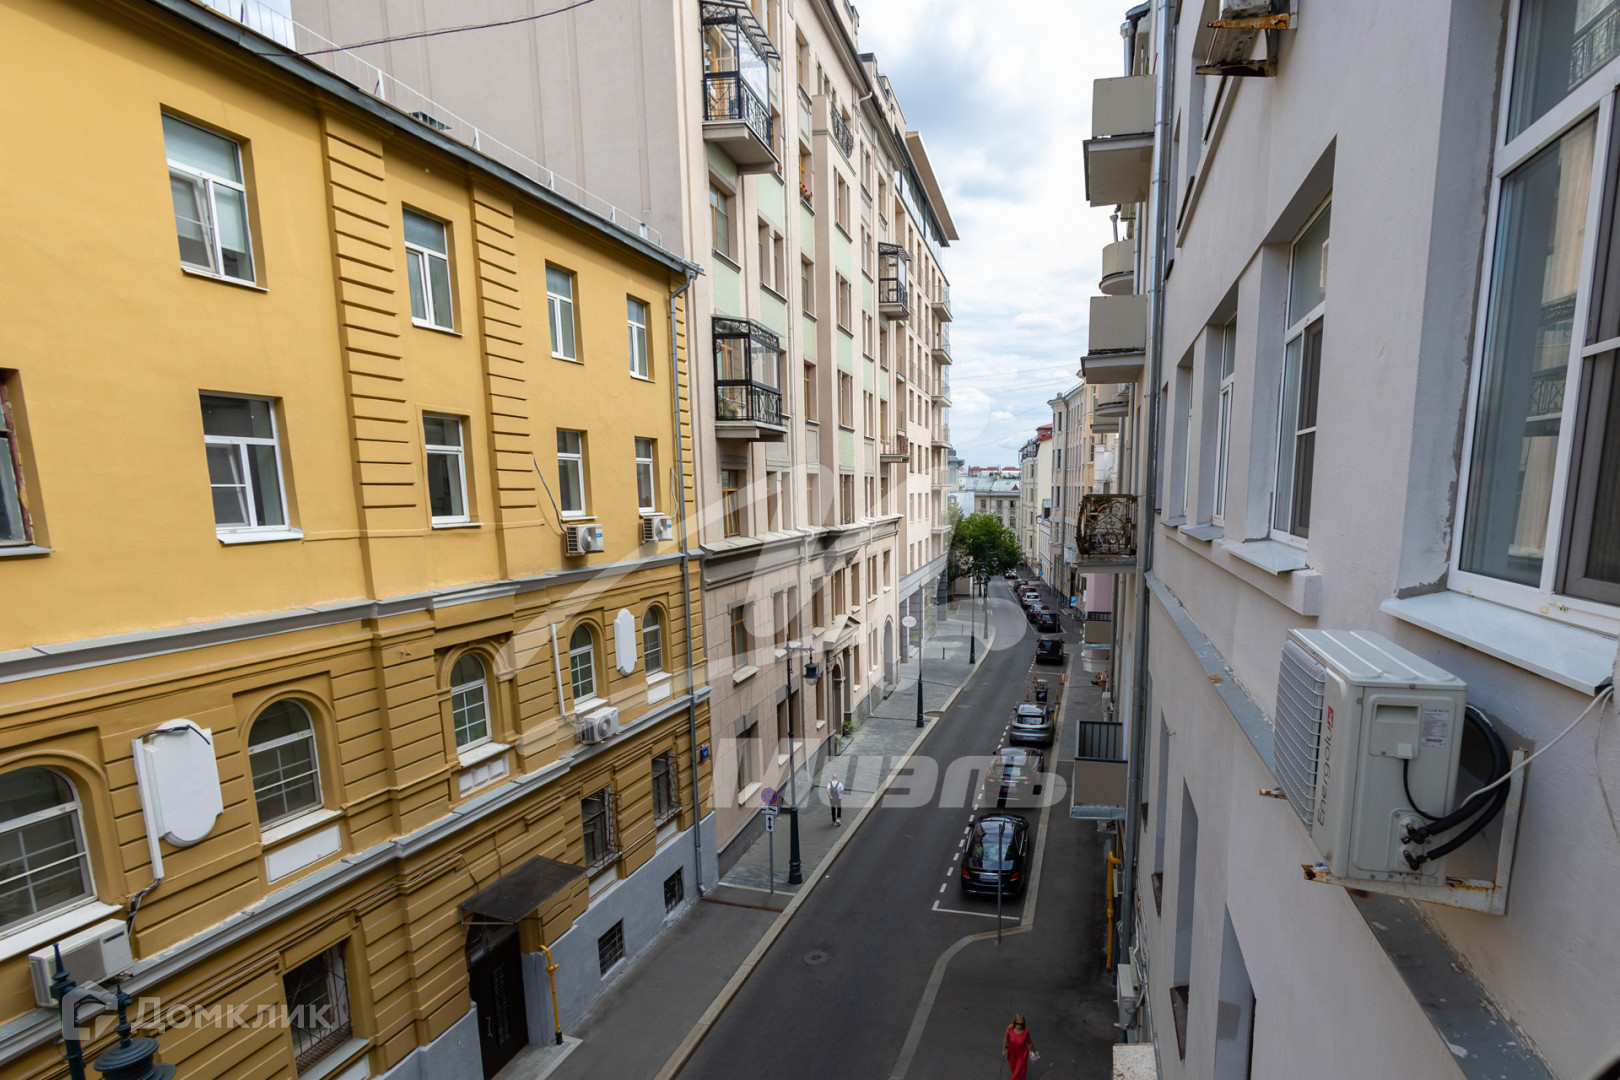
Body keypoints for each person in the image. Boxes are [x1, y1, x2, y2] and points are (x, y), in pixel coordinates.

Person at [1003, 1014, 1037, 1080]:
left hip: (1021, 1056)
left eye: (1021, 1024)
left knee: (1015, 1075)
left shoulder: (1025, 1032)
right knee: (1013, 1070)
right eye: (1017, 1023)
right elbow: (1006, 1038)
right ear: (1014, 1022)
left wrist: (1034, 1051)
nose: (1019, 1026)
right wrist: (1004, 1050)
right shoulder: (1010, 1028)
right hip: (1011, 1054)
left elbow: (1030, 1042)